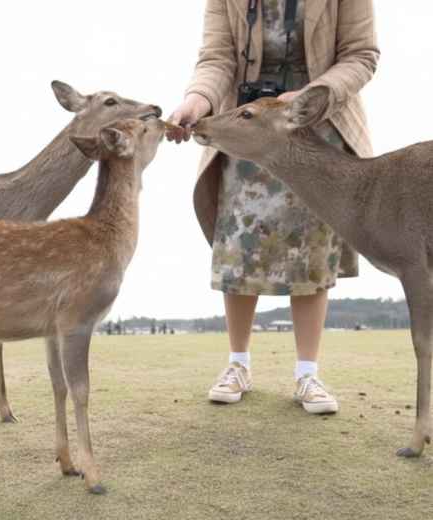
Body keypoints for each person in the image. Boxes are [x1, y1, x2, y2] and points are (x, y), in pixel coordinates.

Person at [167, 0, 379, 413]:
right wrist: (197, 99)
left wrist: (314, 95)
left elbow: (361, 55)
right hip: (247, 131)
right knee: (238, 249)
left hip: (316, 126)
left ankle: (307, 375)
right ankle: (238, 365)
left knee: (313, 252)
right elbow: (217, 57)